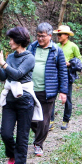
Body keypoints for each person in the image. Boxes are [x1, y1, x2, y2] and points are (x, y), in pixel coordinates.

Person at [0, 27, 40, 164]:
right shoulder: (10, 56)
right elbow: (5, 77)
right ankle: (12, 154)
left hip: (25, 100)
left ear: (20, 40)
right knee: (5, 133)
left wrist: (3, 63)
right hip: (10, 99)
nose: (10, 42)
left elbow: (18, 74)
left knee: (22, 136)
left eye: (12, 39)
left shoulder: (30, 58)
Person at [28, 23, 68, 157]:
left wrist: (63, 91)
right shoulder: (32, 47)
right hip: (30, 89)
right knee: (30, 118)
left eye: (43, 36)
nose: (40, 39)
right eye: (38, 36)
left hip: (48, 91)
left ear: (50, 36)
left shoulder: (57, 50)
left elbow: (63, 71)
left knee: (44, 120)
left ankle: (38, 144)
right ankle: (38, 134)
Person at [53, 25, 82, 130]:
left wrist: (69, 64)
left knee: (67, 99)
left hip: (66, 75)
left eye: (60, 34)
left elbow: (79, 61)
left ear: (67, 35)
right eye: (58, 34)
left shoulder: (73, 46)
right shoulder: (55, 46)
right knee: (51, 97)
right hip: (55, 75)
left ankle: (66, 120)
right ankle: (51, 120)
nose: (58, 36)